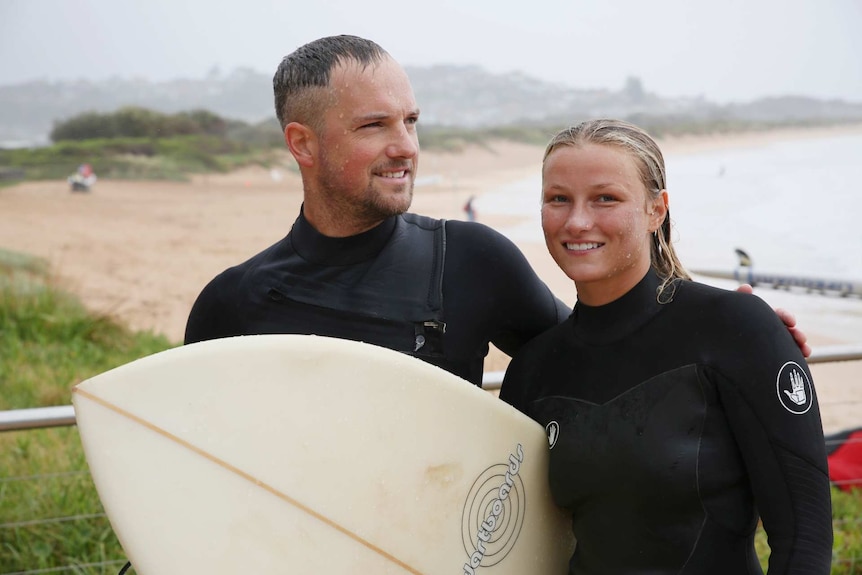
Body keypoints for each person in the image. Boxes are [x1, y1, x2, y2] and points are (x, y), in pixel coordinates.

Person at [184, 35, 809, 387]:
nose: (405, 146)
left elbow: (601, 352)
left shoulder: (470, 260)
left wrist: (733, 332)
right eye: (375, 125)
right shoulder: (232, 304)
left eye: (411, 122)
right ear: (303, 144)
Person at [499, 119, 832, 574]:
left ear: (657, 211)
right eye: (559, 199)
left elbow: (804, 540)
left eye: (605, 198)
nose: (577, 221)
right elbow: (517, 543)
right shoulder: (531, 371)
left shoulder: (737, 328)